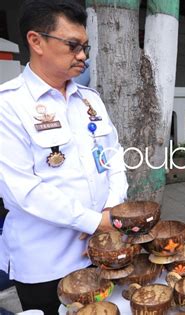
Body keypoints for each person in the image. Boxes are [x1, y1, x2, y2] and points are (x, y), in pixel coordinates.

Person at [0, 1, 128, 313]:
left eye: (85, 46)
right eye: (72, 45)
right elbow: (22, 191)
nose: (82, 55)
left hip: (101, 252)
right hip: (48, 263)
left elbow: (113, 156)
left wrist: (112, 206)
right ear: (36, 41)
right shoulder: (9, 106)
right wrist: (95, 220)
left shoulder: (90, 100)